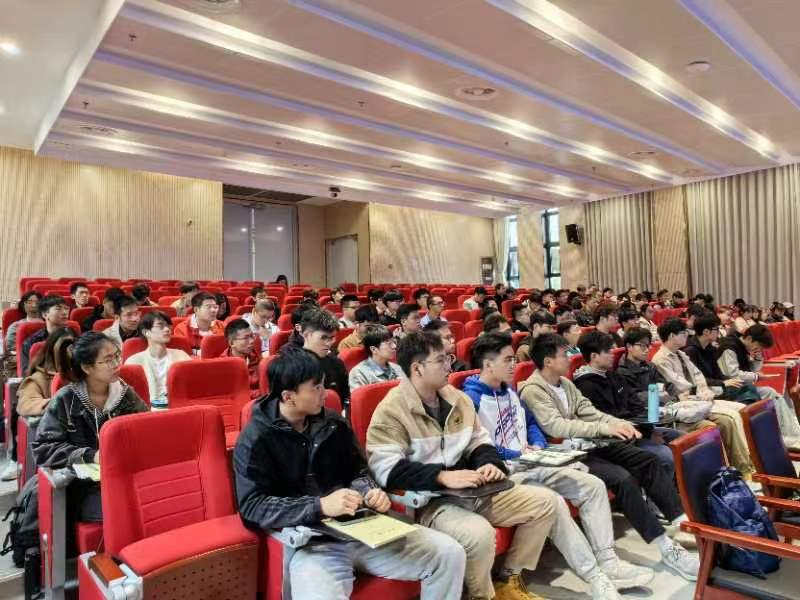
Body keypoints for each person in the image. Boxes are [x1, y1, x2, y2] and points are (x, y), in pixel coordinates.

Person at [233, 348, 465, 599]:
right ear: (289, 396)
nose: (326, 393)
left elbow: (359, 471)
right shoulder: (256, 439)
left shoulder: (333, 423)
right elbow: (253, 506)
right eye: (316, 388)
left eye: (324, 384)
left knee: (449, 553)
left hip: (361, 527)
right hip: (314, 543)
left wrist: (370, 492)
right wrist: (319, 506)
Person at [367, 332, 562, 600]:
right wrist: (441, 477)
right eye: (440, 360)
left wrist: (489, 463)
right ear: (417, 368)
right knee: (479, 534)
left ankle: (508, 579)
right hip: (431, 501)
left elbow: (478, 441)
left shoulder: (457, 399)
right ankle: (481, 596)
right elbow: (384, 469)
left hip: (473, 489)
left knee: (546, 503)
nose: (450, 365)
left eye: (448, 358)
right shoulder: (391, 410)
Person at [464, 333, 653, 593]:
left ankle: (609, 561)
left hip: (534, 461)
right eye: (508, 360)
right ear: (488, 364)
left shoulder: (510, 392)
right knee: (553, 503)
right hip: (507, 472)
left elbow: (530, 423)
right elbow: (475, 446)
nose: (514, 365)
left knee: (593, 486)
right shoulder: (470, 399)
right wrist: (513, 452)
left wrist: (537, 443)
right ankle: (595, 577)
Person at [518, 334, 699, 581]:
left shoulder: (565, 383)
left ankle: (683, 523)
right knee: (623, 480)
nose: (570, 359)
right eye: (564, 355)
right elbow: (556, 426)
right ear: (548, 361)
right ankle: (666, 547)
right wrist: (604, 428)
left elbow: (589, 411)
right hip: (567, 454)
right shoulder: (533, 390)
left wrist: (619, 424)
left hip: (589, 444)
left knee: (648, 460)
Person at [33, 332, 148, 521]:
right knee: (128, 512)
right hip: (84, 486)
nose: (116, 364)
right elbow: (44, 449)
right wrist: (90, 455)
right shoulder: (66, 399)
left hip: (125, 476)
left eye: (117, 356)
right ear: (87, 367)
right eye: (108, 360)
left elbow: (147, 433)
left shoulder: (126, 395)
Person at [652, 318, 754, 474]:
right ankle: (741, 468)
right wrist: (701, 394)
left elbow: (698, 376)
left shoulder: (681, 354)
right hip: (685, 405)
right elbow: (679, 385)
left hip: (700, 399)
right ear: (672, 335)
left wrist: (705, 392)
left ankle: (749, 461)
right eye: (683, 333)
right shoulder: (661, 359)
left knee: (742, 409)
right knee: (730, 419)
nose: (687, 335)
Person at [573, 331, 682, 472]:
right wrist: (648, 435)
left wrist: (649, 430)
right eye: (608, 351)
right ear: (594, 356)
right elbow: (609, 422)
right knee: (666, 456)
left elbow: (635, 404)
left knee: (680, 437)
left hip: (637, 428)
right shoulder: (586, 387)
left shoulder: (613, 376)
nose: (613, 354)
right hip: (618, 440)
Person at [1, 328, 75, 482]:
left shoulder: (84, 372)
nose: (71, 352)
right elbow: (26, 403)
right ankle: (16, 460)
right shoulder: (40, 377)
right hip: (55, 434)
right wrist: (58, 404)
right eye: (66, 347)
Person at [717, 324, 800, 445]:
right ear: (749, 338)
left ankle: (791, 432)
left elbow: (754, 369)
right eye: (759, 346)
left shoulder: (744, 347)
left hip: (743, 387)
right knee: (771, 394)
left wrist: (758, 358)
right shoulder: (729, 347)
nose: (759, 349)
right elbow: (731, 375)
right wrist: (756, 377)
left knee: (774, 395)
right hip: (729, 390)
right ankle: (787, 434)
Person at [126, 311, 191, 406]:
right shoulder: (133, 362)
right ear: (146, 332)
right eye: (160, 326)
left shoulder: (181, 356)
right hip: (147, 409)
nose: (167, 329)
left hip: (178, 406)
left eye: (168, 326)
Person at [291, 309, 350, 409]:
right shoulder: (290, 367)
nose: (328, 343)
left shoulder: (337, 364)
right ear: (306, 334)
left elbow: (345, 398)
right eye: (323, 337)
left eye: (332, 338)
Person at [20, 295, 70, 376]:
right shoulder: (32, 342)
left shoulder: (73, 336)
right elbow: (26, 373)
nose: (65, 312)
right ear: (45, 315)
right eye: (58, 308)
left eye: (66, 308)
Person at [348, 325, 404, 391]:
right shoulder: (359, 373)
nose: (394, 346)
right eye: (389, 343)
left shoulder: (397, 368)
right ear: (374, 349)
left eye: (394, 342)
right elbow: (359, 397)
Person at [222, 319, 261, 399]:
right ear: (232, 343)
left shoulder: (256, 357)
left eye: (252, 336)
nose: (252, 341)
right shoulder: (223, 365)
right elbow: (234, 393)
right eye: (246, 338)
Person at [4, 291, 42, 356]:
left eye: (37, 302)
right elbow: (11, 348)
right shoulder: (15, 326)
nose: (34, 305)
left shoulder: (50, 323)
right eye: (29, 302)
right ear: (23, 305)